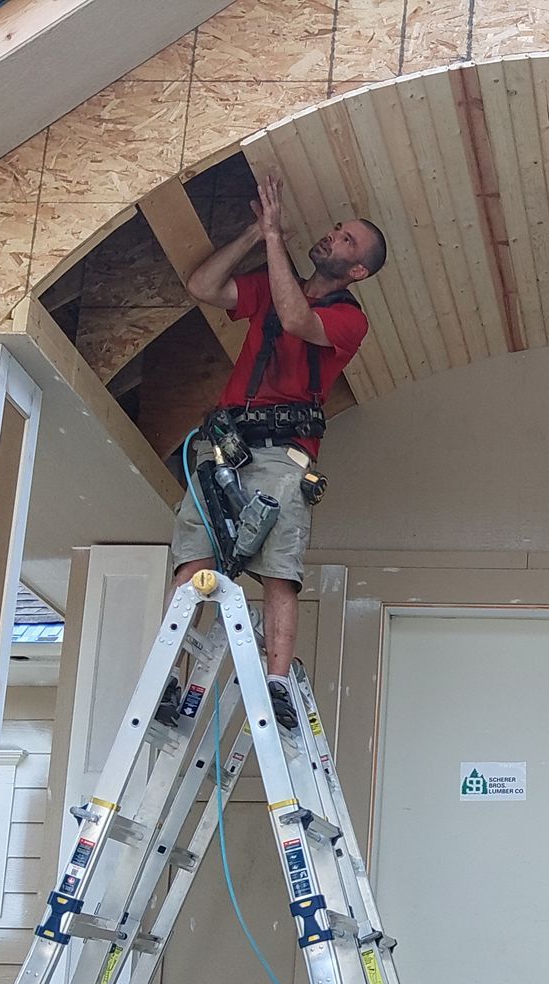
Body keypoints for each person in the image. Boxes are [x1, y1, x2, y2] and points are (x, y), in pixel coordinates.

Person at [170, 172, 387, 727]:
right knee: (194, 558)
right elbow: (203, 286)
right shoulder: (271, 286)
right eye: (337, 228)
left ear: (358, 271)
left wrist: (273, 238)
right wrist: (254, 232)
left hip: (282, 453)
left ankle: (274, 682)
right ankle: (171, 680)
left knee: (278, 569)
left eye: (346, 240)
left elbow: (295, 319)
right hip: (225, 445)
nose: (332, 236)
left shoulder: (350, 319)